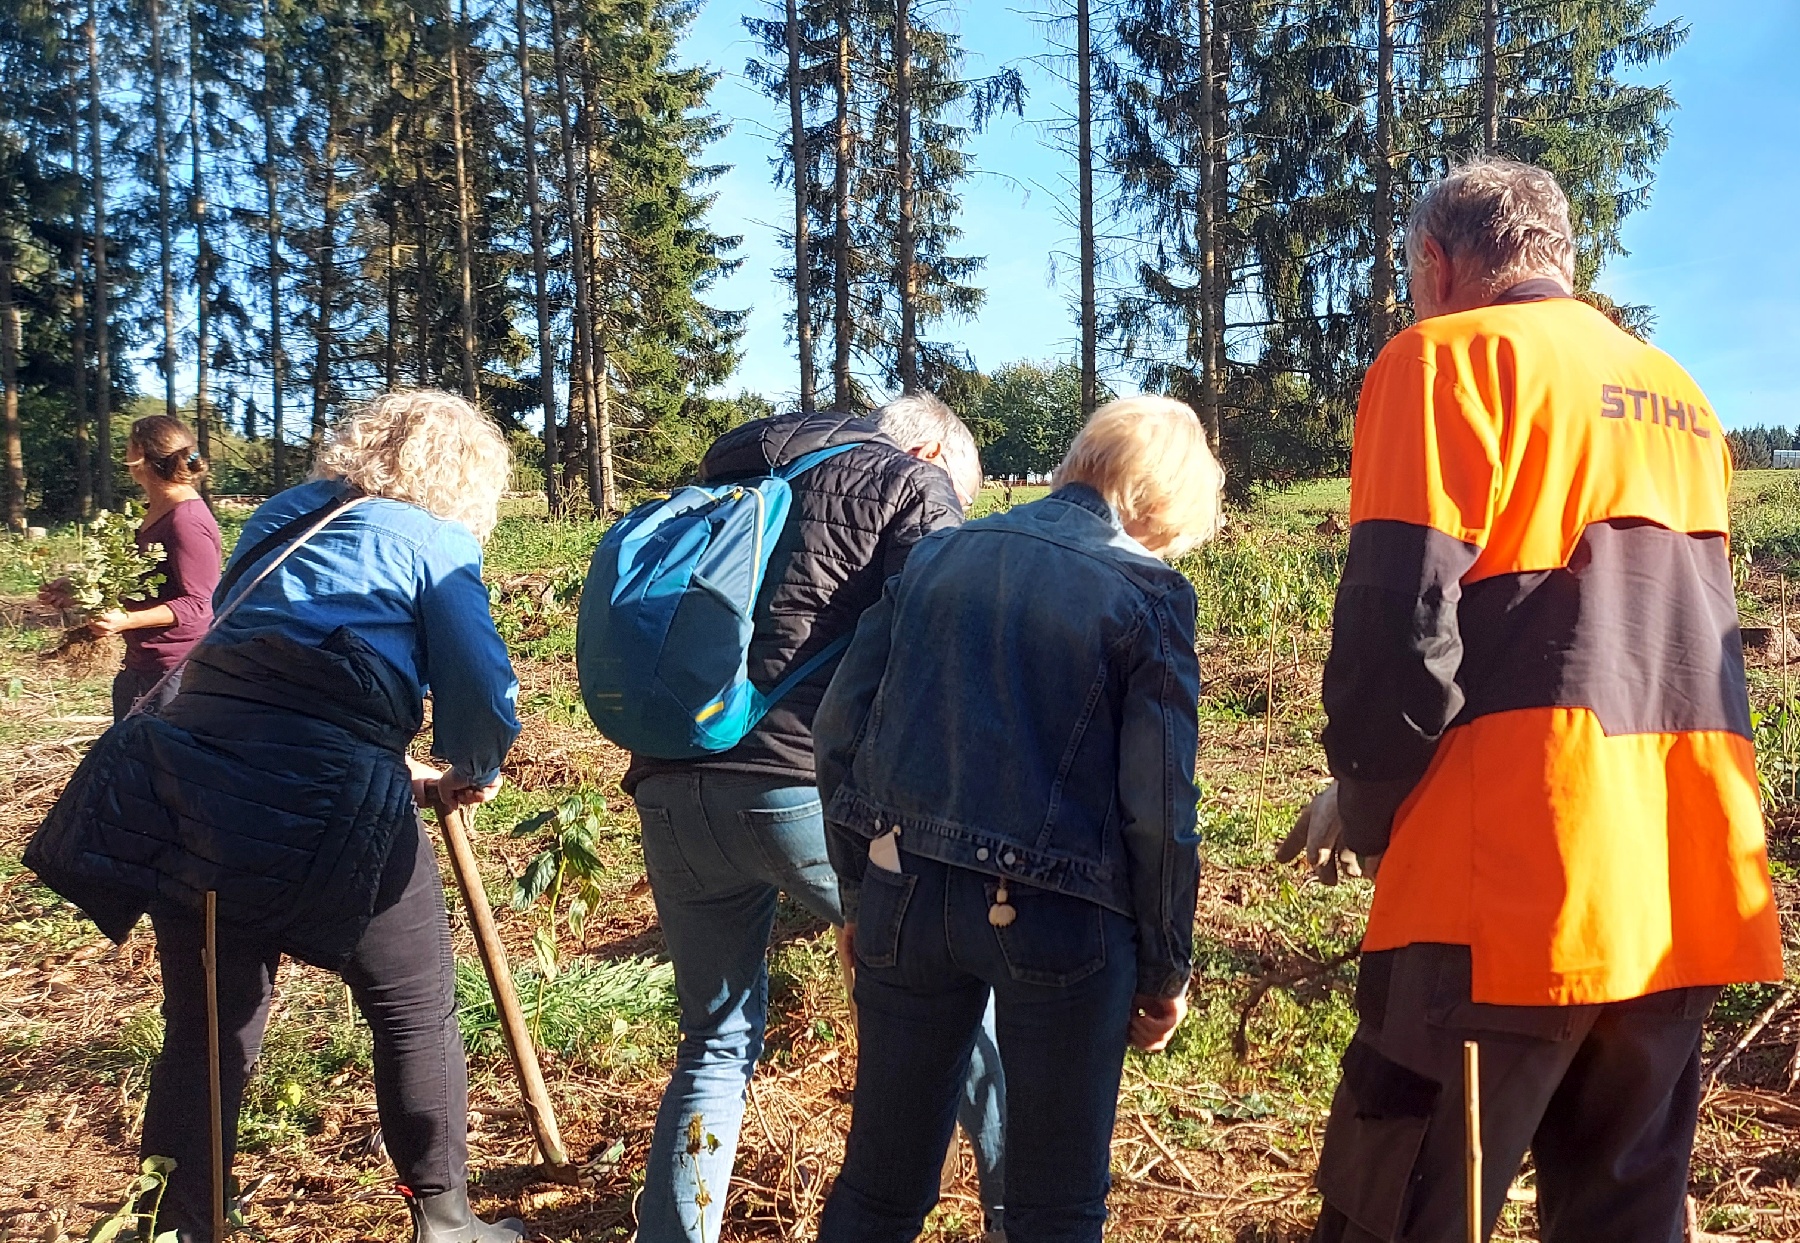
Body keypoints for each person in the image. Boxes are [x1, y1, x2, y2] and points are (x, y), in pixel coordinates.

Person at [1284, 160, 1783, 1242]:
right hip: (1681, 892)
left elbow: (1398, 634)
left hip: (1505, 897)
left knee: (1394, 1210)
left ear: (1435, 262)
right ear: (1559, 255)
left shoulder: (1442, 362)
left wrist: (1369, 812)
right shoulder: (1680, 396)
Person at [27, 391, 525, 1243]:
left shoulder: (285, 514)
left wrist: (367, 736)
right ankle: (445, 1222)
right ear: (468, 477)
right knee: (412, 1007)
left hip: (197, 774)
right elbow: (480, 686)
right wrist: (470, 767)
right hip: (331, 798)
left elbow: (253, 643)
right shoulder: (435, 540)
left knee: (208, 1026)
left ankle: (183, 1221)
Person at [812, 395, 1224, 1243]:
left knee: (880, 1187)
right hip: (1064, 923)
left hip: (904, 891)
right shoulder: (1149, 590)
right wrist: (1165, 966)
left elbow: (839, 728)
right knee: (1054, 1211)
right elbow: (1159, 806)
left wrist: (860, 891)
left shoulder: (935, 555)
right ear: (1164, 501)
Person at [624, 394, 1004, 1243]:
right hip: (804, 786)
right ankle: (1019, 1215)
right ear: (932, 446)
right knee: (954, 992)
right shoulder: (911, 483)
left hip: (672, 785)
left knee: (713, 1043)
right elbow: (941, 647)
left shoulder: (734, 474)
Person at [39, 415, 223, 720]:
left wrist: (125, 620)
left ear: (139, 456)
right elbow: (145, 581)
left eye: (128, 446)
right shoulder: (156, 510)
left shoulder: (185, 520)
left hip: (174, 668)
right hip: (143, 661)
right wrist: (82, 592)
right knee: (129, 755)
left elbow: (199, 603)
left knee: (155, 760)